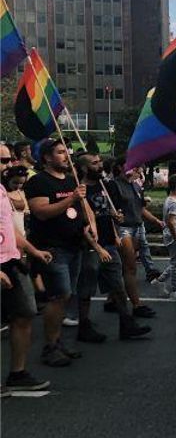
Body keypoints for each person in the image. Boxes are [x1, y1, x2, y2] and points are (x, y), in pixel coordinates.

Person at [24, 139, 90, 367]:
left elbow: (78, 209)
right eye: (61, 152)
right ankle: (49, 347)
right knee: (58, 295)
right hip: (53, 248)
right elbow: (41, 212)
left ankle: (58, 341)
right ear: (47, 157)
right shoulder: (38, 182)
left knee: (66, 295)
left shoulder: (71, 180)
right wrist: (72, 198)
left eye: (67, 152)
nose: (66, 155)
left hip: (74, 246)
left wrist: (87, 223)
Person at [76, 154, 151, 341]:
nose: (100, 165)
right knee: (87, 288)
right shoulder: (79, 190)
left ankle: (126, 324)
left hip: (109, 242)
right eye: (94, 163)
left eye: (99, 162)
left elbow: (111, 213)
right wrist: (96, 246)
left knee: (117, 285)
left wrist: (116, 225)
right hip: (90, 246)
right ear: (84, 169)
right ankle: (83, 326)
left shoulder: (106, 186)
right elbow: (83, 222)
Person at [1, 143, 52, 393]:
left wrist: (33, 251)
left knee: (25, 313)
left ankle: (17, 373)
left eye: (8, 160)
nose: (7, 164)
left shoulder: (1, 191)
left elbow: (10, 229)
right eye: (2, 161)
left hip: (12, 261)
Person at [106, 159, 160, 318]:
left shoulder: (136, 185)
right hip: (123, 229)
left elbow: (140, 208)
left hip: (136, 227)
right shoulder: (114, 185)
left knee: (124, 267)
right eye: (133, 166)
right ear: (119, 167)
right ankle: (137, 304)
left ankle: (111, 299)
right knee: (130, 268)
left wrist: (155, 221)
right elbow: (109, 209)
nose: (138, 169)